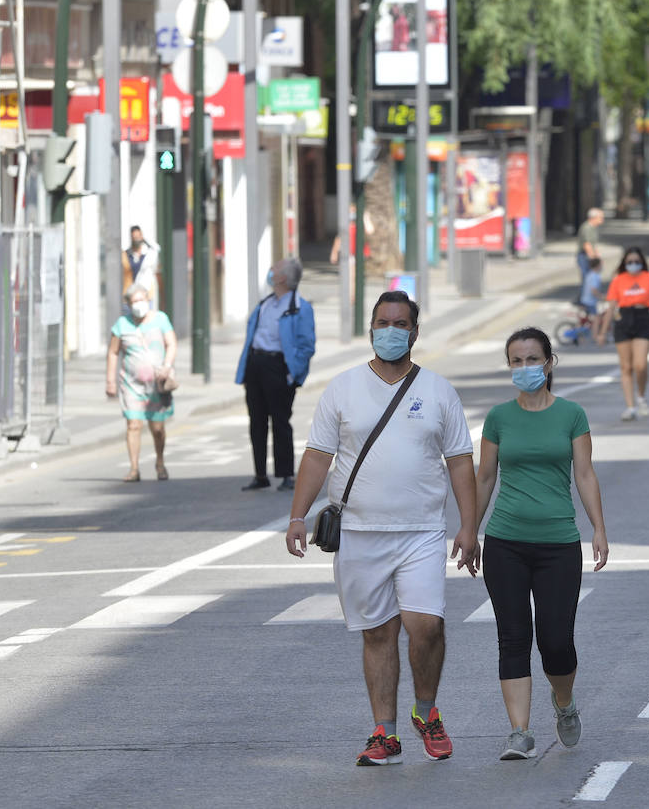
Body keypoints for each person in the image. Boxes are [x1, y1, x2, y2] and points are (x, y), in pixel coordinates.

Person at [284, 290, 478, 767]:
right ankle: (384, 733)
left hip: (421, 532)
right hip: (358, 532)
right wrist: (296, 514)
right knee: (378, 634)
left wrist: (470, 526)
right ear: (371, 328)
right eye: (381, 323)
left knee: (425, 626)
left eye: (399, 323)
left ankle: (426, 711)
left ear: (415, 331)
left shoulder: (437, 391)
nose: (389, 331)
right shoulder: (343, 387)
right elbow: (316, 456)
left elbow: (459, 462)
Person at [473, 328, 607, 761]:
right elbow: (485, 478)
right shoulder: (498, 418)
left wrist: (598, 529)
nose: (524, 367)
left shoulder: (571, 414)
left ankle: (564, 702)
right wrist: (469, 531)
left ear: (549, 363)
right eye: (516, 360)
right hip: (504, 542)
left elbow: (584, 474)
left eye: (532, 359)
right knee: (513, 637)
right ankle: (519, 732)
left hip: (558, 544)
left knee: (556, 640)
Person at [235, 258, 316, 492]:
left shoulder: (300, 307)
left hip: (278, 366)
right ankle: (260, 474)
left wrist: (294, 373)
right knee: (256, 421)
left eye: (275, 269)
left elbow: (306, 345)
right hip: (256, 364)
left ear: (282, 278)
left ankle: (286, 474)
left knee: (280, 421)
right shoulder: (265, 303)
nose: (270, 271)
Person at [106, 282, 177, 482]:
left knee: (157, 429)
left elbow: (171, 343)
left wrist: (167, 365)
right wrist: (110, 381)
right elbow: (113, 352)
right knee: (133, 424)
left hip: (157, 383)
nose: (138, 304)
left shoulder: (161, 319)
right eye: (134, 301)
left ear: (148, 299)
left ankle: (160, 461)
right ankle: (134, 468)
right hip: (131, 384)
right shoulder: (122, 325)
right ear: (128, 304)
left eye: (141, 300)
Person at [596, 247, 649, 421]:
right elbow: (611, 307)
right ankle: (630, 407)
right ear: (624, 263)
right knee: (626, 367)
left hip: (642, 319)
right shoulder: (618, 280)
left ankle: (641, 397)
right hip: (623, 320)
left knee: (640, 364)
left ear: (642, 263)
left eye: (636, 262)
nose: (633, 265)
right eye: (629, 262)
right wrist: (601, 332)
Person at [121, 225, 159, 306]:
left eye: (138, 237)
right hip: (129, 296)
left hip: (146, 295)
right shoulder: (125, 255)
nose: (136, 240)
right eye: (134, 237)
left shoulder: (149, 254)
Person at [576, 207, 604, 281]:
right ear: (593, 218)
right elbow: (587, 244)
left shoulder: (593, 228)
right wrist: (593, 259)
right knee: (587, 278)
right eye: (600, 217)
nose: (602, 220)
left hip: (589, 255)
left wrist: (598, 256)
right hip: (585, 256)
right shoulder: (587, 228)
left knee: (591, 279)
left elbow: (594, 244)